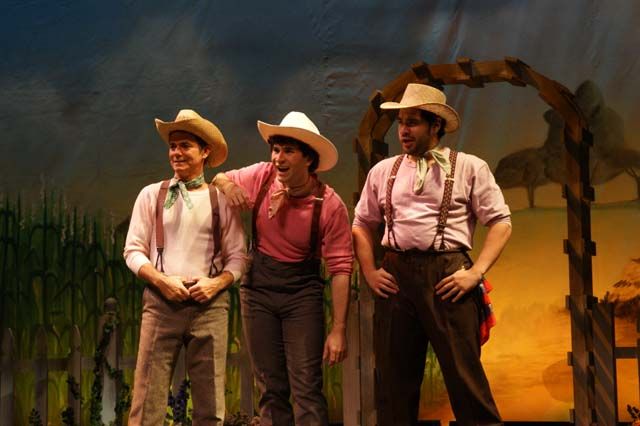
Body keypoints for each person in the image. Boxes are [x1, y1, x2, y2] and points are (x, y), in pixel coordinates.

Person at [352, 83, 512, 426]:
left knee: (464, 376)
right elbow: (362, 223)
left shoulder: (469, 167)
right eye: (401, 123)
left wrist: (476, 272)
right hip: (396, 275)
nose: (404, 130)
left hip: (448, 274)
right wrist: (369, 271)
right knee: (395, 382)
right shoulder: (384, 170)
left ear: (435, 125)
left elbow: (501, 222)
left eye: (413, 122)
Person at [212, 111, 353, 426]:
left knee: (306, 386)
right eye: (276, 149)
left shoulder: (329, 204)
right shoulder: (262, 177)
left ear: (308, 159)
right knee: (270, 386)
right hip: (259, 291)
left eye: (288, 150)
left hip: (302, 295)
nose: (278, 158)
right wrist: (227, 185)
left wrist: (339, 329)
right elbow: (218, 177)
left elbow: (341, 267)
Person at [124, 109, 246, 425]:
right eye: (172, 146)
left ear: (204, 151)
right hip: (162, 303)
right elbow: (133, 250)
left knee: (210, 403)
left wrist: (216, 284)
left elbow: (238, 258)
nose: (176, 152)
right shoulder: (151, 195)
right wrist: (160, 280)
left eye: (185, 146)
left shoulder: (220, 199)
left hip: (210, 306)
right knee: (146, 400)